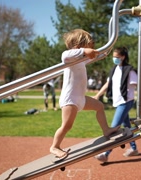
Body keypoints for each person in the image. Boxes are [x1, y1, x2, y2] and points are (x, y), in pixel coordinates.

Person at [50, 29, 120, 160]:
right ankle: (55, 146)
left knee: (99, 106)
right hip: (70, 99)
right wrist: (84, 51)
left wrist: (104, 51)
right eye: (89, 45)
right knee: (67, 125)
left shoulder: (80, 61)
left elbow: (95, 57)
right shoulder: (69, 58)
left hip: (81, 98)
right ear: (78, 46)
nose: (91, 47)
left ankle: (106, 129)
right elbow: (65, 55)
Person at [94, 47, 139, 162]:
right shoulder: (114, 70)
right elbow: (108, 83)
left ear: (123, 57)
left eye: (117, 57)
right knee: (127, 126)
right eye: (113, 57)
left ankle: (105, 153)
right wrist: (98, 95)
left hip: (126, 102)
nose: (115, 59)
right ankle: (134, 148)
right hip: (118, 102)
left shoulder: (130, 71)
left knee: (113, 127)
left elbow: (137, 84)